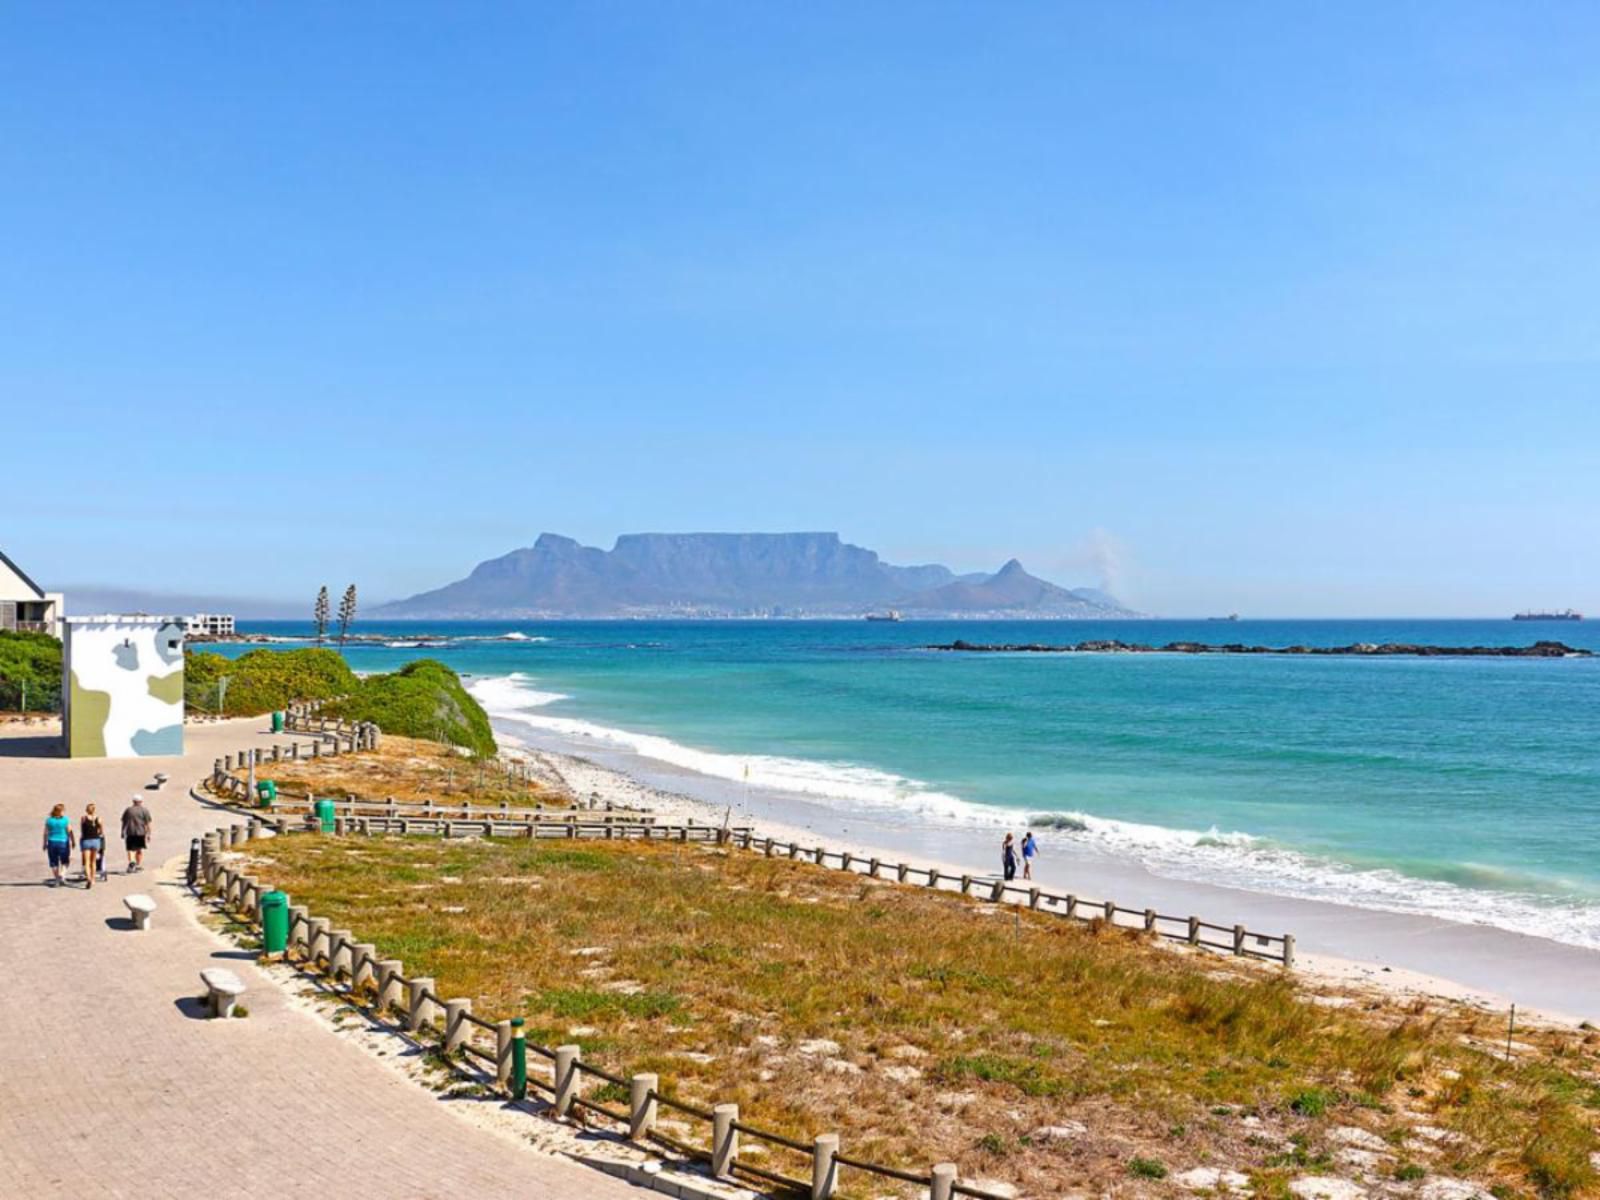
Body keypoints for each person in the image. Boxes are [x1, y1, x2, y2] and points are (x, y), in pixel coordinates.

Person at [43, 803, 75, 886]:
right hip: (63, 842)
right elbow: (69, 831)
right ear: (60, 811)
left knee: (53, 862)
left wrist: (44, 843)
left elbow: (46, 833)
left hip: (52, 842)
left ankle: (57, 879)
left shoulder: (49, 820)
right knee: (65, 860)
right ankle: (62, 875)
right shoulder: (65, 820)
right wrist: (73, 840)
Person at [121, 795, 153, 873]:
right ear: (141, 802)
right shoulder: (144, 810)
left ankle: (132, 862)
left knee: (130, 849)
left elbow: (124, 821)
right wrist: (149, 834)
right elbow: (148, 823)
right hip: (141, 832)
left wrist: (122, 831)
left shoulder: (128, 810)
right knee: (139, 849)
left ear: (133, 801)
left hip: (130, 832)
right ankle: (138, 865)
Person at [80, 803, 106, 889]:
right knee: (93, 862)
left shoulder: (83, 818)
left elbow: (82, 831)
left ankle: (88, 879)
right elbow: (101, 831)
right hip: (95, 840)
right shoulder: (99, 819)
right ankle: (93, 878)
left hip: (86, 840)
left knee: (86, 862)